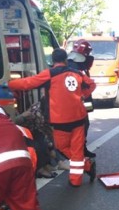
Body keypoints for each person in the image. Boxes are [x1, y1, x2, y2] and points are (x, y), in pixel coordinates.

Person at [8, 48, 96, 187]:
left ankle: (86, 167)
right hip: (79, 117)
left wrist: (9, 84)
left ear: (53, 61)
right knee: (76, 150)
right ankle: (78, 178)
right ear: (66, 60)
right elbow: (91, 84)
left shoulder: (50, 74)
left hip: (61, 120)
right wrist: (82, 95)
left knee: (62, 148)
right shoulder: (77, 73)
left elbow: (28, 83)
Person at [67, 39, 97, 158]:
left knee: (84, 125)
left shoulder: (75, 63)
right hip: (78, 103)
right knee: (81, 127)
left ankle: (81, 148)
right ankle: (79, 150)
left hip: (81, 102)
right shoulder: (75, 66)